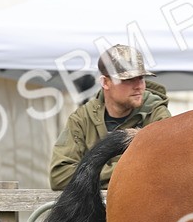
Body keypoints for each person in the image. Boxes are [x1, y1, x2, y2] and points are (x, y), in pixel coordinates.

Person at [49, 44, 171, 191]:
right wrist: (127, 173)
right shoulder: (82, 119)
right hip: (94, 212)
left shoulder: (157, 114)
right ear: (106, 82)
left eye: (141, 78)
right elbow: (59, 176)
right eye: (128, 79)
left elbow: (162, 167)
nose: (139, 85)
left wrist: (89, 174)